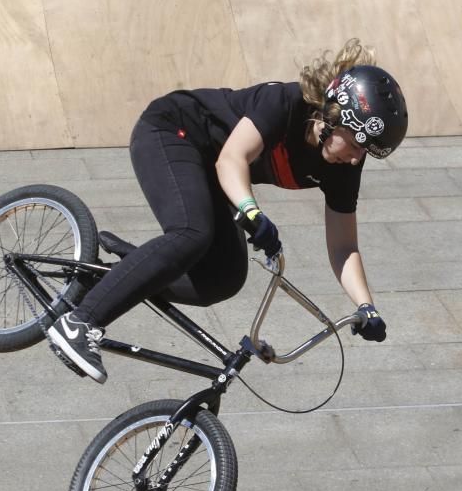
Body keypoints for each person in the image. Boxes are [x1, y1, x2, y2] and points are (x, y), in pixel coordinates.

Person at [47, 38, 409, 383]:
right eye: (358, 141)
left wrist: (367, 307)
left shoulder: (344, 165)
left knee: (222, 279)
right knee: (193, 233)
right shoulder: (283, 102)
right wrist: (251, 211)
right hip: (172, 132)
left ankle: (119, 276)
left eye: (369, 151)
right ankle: (79, 322)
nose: (358, 156)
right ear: (333, 115)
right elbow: (232, 159)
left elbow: (343, 245)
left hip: (211, 170)